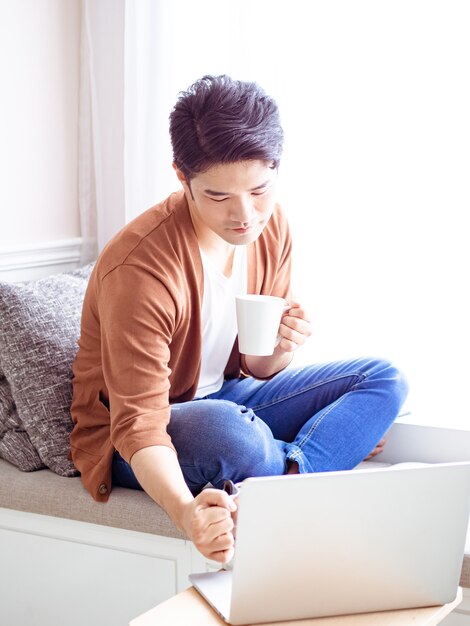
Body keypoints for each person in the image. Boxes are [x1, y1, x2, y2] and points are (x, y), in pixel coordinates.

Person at [70, 74, 408, 565]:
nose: (245, 215)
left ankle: (288, 480)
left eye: (259, 190)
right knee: (231, 432)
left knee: (383, 379)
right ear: (181, 177)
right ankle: (308, 465)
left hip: (230, 397)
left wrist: (281, 348)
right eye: (219, 196)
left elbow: (257, 367)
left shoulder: (271, 230)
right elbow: (139, 422)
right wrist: (188, 514)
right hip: (140, 436)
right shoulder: (140, 267)